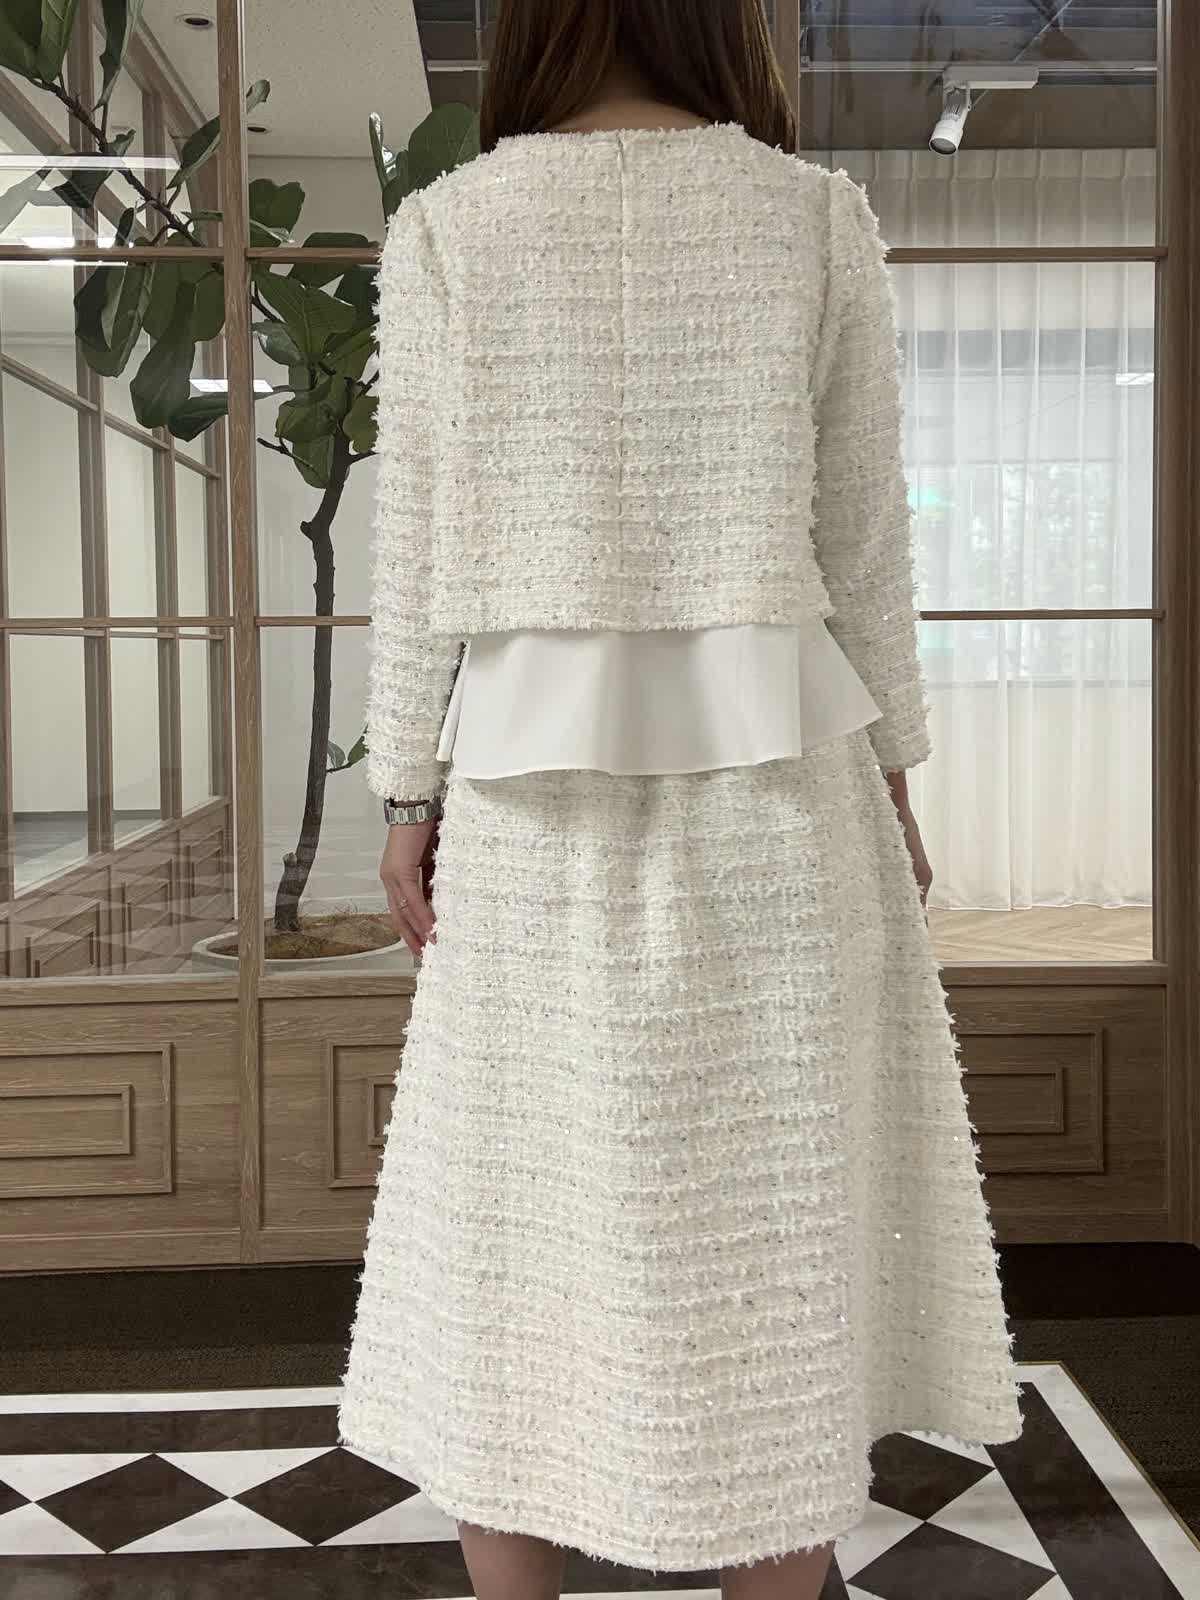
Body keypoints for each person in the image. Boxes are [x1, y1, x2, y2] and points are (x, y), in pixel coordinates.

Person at [338, 2, 1024, 1596]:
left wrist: (406, 789)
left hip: (531, 806)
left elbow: (418, 541)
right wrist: (898, 772)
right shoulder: (813, 217)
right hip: (784, 794)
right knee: (768, 1249)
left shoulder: (448, 228)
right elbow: (864, 540)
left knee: (515, 1230)